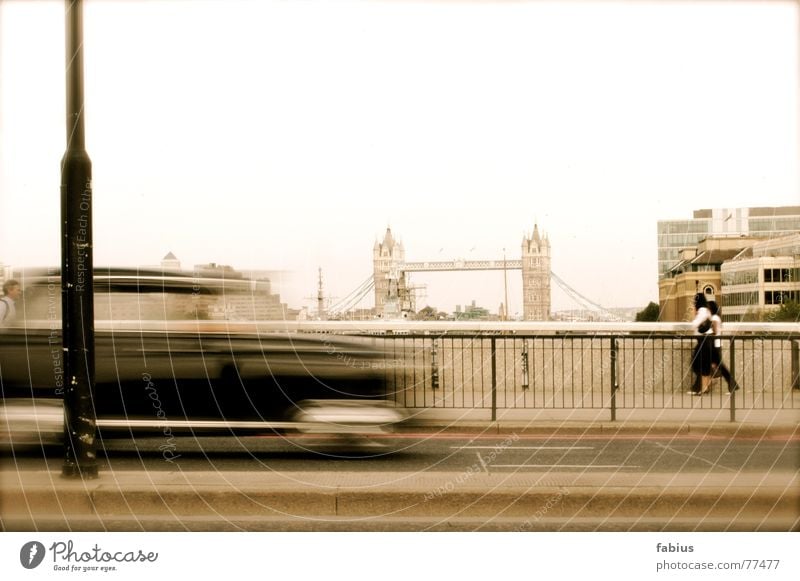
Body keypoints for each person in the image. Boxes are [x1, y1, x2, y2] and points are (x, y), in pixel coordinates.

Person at [707, 300, 740, 392]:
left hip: (715, 345)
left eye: (707, 308)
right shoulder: (717, 318)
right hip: (716, 344)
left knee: (712, 366)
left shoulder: (714, 318)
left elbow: (715, 331)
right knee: (714, 365)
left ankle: (729, 382)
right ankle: (731, 384)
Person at [689, 292, 714, 395]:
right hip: (707, 340)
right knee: (704, 365)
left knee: (698, 364)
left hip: (703, 341)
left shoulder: (702, 311)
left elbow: (694, 325)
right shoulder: (706, 310)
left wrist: (693, 314)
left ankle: (703, 388)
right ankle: (704, 387)